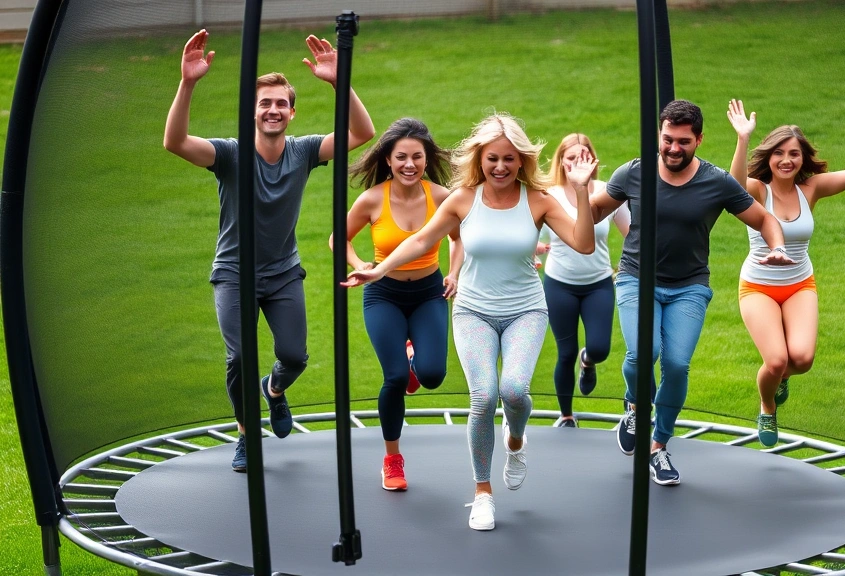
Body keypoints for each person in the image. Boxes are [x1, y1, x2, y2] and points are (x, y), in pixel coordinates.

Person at [342, 113, 596, 530]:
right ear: (480, 159)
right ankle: (482, 494)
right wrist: (378, 270)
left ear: (522, 162)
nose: (500, 167)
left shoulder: (540, 200)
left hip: (525, 310)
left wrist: (582, 191)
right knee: (483, 397)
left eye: (509, 160)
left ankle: (515, 440)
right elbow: (423, 239)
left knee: (513, 391)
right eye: (492, 158)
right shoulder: (463, 198)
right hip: (473, 310)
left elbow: (584, 243)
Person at [163, 30, 374, 472]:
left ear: (291, 112)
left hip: (282, 273)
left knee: (294, 355)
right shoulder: (230, 154)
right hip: (233, 273)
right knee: (239, 355)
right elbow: (176, 143)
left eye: (280, 103)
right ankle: (245, 434)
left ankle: (274, 391)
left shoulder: (302, 152)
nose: (272, 110)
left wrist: (340, 82)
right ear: (251, 112)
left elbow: (362, 132)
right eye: (264, 103)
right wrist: (188, 83)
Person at [589, 99, 792, 486]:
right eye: (667, 139)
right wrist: (578, 196)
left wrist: (777, 246)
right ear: (658, 136)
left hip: (689, 287)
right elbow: (594, 211)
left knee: (677, 365)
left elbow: (764, 219)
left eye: (683, 141)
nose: (673, 148)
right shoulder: (634, 172)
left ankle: (658, 447)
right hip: (636, 278)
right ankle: (634, 404)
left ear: (698, 139)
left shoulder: (715, 181)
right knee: (642, 353)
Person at [726, 99, 845, 447]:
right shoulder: (758, 190)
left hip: (799, 285)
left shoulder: (811, 189)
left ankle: (781, 378)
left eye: (793, 153)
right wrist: (743, 139)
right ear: (769, 158)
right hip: (758, 287)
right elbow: (732, 187)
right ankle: (767, 404)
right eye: (779, 154)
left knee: (802, 360)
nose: (786, 160)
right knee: (775, 360)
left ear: (802, 157)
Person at [331, 118, 463, 491]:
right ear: (388, 160)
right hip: (383, 295)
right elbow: (337, 238)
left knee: (433, 374)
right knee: (394, 379)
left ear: (427, 159)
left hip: (428, 293)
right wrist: (361, 266)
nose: (409, 164)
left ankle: (413, 362)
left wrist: (454, 272)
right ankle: (392, 459)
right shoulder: (372, 199)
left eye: (417, 157)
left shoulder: (441, 196)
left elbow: (458, 238)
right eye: (401, 157)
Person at [536, 134, 630, 428]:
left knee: (600, 347)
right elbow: (533, 235)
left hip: (598, 283)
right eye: (571, 157)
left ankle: (587, 361)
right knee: (564, 353)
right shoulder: (549, 195)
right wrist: (535, 251)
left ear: (594, 159)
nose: (577, 162)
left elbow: (631, 233)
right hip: (559, 284)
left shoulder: (606, 192)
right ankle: (565, 415)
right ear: (561, 162)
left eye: (584, 156)